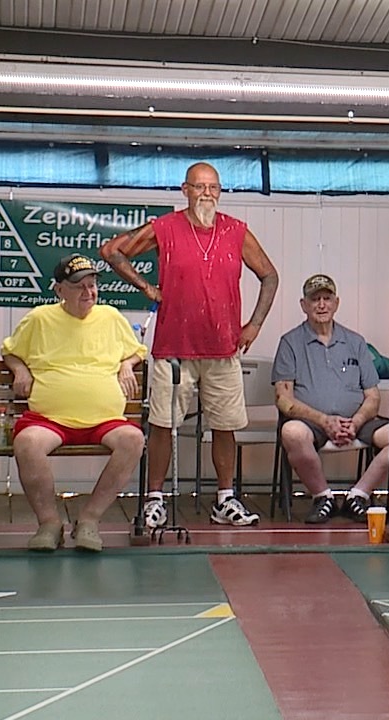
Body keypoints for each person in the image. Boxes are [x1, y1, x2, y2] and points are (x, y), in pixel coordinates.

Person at [101, 161, 279, 527]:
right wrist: (148, 288)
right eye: (199, 187)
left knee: (226, 425)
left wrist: (255, 325)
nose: (207, 194)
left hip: (223, 349)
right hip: (174, 349)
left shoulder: (236, 230)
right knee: (163, 425)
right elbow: (112, 251)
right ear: (185, 190)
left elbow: (270, 275)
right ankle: (154, 499)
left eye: (213, 187)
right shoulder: (165, 227)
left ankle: (225, 500)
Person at [1, 254, 147, 552]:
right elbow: (10, 351)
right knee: (27, 443)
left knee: (133, 439)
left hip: (104, 419)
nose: (88, 292)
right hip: (50, 419)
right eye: (79, 286)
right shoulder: (39, 318)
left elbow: (137, 350)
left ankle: (89, 520)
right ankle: (49, 524)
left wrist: (127, 365)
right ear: (59, 290)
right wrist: (20, 369)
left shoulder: (110, 317)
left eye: (92, 285)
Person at [273, 274, 389, 523]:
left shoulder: (355, 342)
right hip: (312, 422)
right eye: (315, 299)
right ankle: (322, 497)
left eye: (327, 298)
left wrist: (356, 422)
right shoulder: (290, 343)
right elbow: (284, 399)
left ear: (336, 303)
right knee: (292, 433)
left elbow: (372, 396)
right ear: (303, 305)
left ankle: (358, 496)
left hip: (356, 422)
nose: (322, 305)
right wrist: (324, 420)